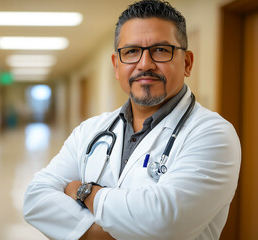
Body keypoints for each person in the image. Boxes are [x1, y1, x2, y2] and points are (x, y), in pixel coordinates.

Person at [23, 0, 241, 239]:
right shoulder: (90, 130)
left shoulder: (214, 134)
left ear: (187, 63)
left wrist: (84, 192)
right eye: (131, 52)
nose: (145, 64)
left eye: (160, 50)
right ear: (117, 66)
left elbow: (164, 221)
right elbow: (36, 199)